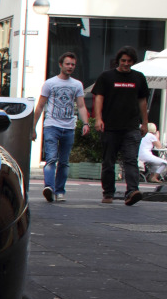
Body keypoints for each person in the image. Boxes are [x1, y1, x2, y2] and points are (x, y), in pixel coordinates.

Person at [93, 46, 150, 206]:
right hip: (110, 126)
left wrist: (145, 123)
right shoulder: (107, 76)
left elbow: (142, 101)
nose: (126, 64)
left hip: (131, 127)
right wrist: (98, 119)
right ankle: (108, 193)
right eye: (123, 60)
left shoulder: (139, 77)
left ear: (133, 62)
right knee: (108, 162)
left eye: (129, 61)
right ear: (118, 60)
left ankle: (132, 191)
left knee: (131, 160)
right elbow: (99, 98)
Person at [31, 51, 90, 203]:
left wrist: (85, 123)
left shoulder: (77, 84)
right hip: (52, 125)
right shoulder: (50, 83)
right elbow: (40, 106)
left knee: (64, 162)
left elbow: (81, 106)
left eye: (73, 65)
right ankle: (49, 188)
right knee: (51, 159)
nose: (70, 67)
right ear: (60, 65)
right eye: (67, 64)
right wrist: (33, 127)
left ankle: (59, 191)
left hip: (69, 127)